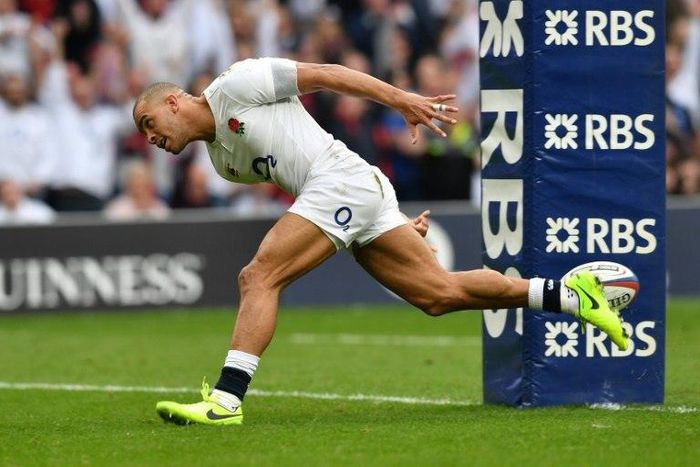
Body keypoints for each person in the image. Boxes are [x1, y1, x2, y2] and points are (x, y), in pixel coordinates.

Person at [132, 57, 628, 425]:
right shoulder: (224, 163)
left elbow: (325, 73)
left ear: (173, 102)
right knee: (439, 296)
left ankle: (226, 400)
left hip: (342, 182)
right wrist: (379, 217)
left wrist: (401, 99)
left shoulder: (236, 85)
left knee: (259, 275)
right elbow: (301, 174)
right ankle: (571, 295)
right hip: (350, 192)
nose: (150, 138)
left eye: (149, 123)